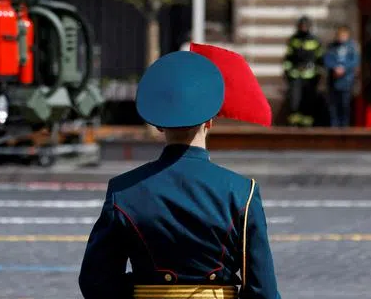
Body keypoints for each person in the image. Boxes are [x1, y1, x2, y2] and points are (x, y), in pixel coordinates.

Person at [78, 50, 283, 299]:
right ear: (210, 121)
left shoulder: (123, 191)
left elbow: (95, 281)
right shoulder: (242, 192)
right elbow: (264, 291)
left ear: (158, 125)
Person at [282, 16, 322, 127]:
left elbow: (319, 59)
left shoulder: (314, 40)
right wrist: (288, 72)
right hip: (295, 75)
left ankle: (307, 123)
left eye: (306, 25)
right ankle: (294, 123)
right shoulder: (293, 40)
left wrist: (318, 74)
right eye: (302, 25)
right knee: (294, 101)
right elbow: (288, 58)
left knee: (308, 100)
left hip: (310, 77)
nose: (304, 27)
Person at [323, 25, 359, 128]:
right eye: (340, 35)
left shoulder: (352, 47)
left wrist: (344, 69)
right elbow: (327, 60)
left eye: (343, 35)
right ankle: (334, 126)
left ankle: (344, 127)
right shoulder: (331, 47)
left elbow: (354, 61)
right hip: (333, 81)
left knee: (345, 106)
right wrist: (334, 67)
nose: (341, 38)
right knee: (333, 106)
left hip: (346, 81)